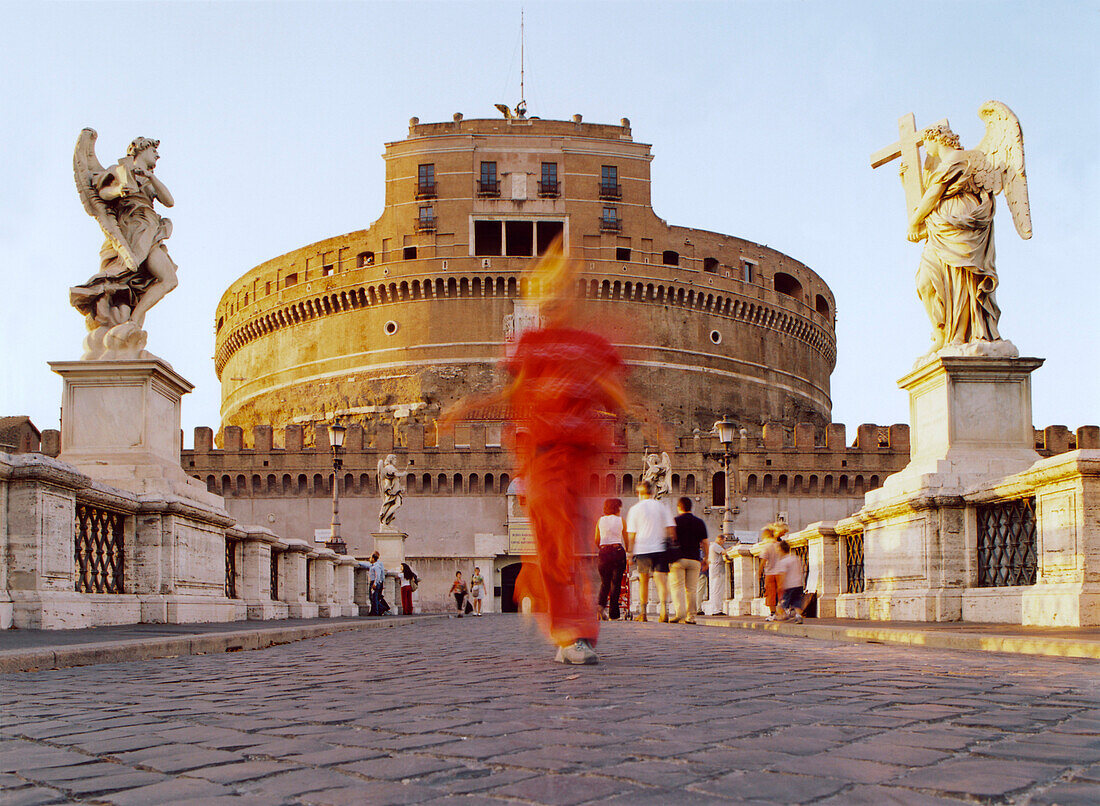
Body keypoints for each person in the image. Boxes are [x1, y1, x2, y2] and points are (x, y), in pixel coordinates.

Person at [71, 135, 179, 336]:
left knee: (169, 279)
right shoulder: (119, 171)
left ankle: (135, 318)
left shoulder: (148, 179)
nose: (157, 155)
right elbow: (103, 193)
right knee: (126, 270)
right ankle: (122, 314)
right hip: (131, 229)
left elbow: (169, 201)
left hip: (150, 230)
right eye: (153, 150)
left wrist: (150, 177)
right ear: (140, 149)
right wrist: (119, 189)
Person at [908, 124, 1001, 351]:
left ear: (937, 139)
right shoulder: (946, 165)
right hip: (940, 228)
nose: (926, 149)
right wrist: (906, 182)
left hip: (960, 226)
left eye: (926, 143)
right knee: (925, 282)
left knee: (963, 281)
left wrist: (914, 220)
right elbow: (930, 197)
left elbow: (933, 195)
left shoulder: (957, 158)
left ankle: (961, 334)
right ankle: (942, 334)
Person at [626, 481, 674, 623]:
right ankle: (664, 610)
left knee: (644, 581)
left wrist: (630, 552)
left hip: (643, 549)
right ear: (652, 492)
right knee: (661, 581)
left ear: (638, 493)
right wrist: (671, 542)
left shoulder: (634, 509)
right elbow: (670, 528)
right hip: (660, 548)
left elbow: (631, 534)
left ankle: (643, 613)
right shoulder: (661, 507)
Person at [669, 497, 707, 624]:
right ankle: (691, 616)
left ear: (679, 507)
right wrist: (706, 558)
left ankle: (679, 613)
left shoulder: (674, 521)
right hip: (694, 559)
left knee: (677, 587)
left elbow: (670, 539)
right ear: (691, 507)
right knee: (691, 589)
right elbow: (705, 542)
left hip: (678, 559)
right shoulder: (699, 522)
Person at [594, 498, 629, 621]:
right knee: (616, 583)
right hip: (618, 552)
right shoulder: (621, 521)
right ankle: (614, 614)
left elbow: (596, 539)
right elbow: (626, 538)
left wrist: (603, 548)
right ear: (617, 508)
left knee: (605, 583)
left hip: (604, 552)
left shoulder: (600, 520)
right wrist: (628, 550)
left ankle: (600, 606)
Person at [759, 522, 788, 621]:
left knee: (770, 594)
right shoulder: (781, 545)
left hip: (770, 573)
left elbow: (763, 561)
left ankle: (772, 613)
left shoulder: (767, 546)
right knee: (781, 593)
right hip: (781, 572)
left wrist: (759, 572)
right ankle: (783, 611)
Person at [775, 539, 805, 624]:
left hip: (789, 586)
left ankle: (783, 616)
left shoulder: (783, 562)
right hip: (798, 584)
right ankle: (798, 616)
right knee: (797, 602)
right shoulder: (795, 558)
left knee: (782, 604)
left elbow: (783, 575)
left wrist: (780, 586)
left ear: (781, 550)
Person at [704, 532, 732, 616]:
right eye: (723, 541)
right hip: (717, 570)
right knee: (717, 590)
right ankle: (716, 609)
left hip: (715, 569)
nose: (723, 543)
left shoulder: (712, 546)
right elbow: (724, 552)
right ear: (720, 540)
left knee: (715, 589)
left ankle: (716, 609)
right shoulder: (715, 546)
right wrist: (732, 548)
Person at [368, 552, 386, 616]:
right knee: (373, 597)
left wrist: (375, 583)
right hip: (374, 582)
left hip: (374, 582)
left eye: (370, 558)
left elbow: (377, 575)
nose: (369, 559)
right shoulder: (373, 565)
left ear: (373, 558)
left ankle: (378, 610)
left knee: (374, 598)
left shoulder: (376, 566)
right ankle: (376, 610)